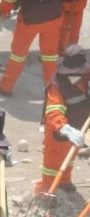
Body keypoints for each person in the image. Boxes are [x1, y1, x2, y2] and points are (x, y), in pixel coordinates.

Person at [39, 44, 90, 193]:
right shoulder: (57, 85)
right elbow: (54, 112)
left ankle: (65, 181)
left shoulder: (86, 75)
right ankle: (47, 189)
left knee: (70, 155)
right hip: (59, 130)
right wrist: (66, 129)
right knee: (53, 162)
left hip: (78, 125)